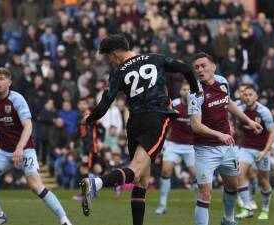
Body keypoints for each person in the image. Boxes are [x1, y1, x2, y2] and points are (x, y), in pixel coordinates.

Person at [79, 34, 201, 225]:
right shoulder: (155, 58)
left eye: (109, 56)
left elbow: (105, 103)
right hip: (156, 117)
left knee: (141, 181)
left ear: (114, 54)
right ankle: (97, 183)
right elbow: (185, 68)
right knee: (135, 171)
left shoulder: (118, 72)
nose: (110, 60)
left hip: (134, 123)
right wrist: (195, 88)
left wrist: (90, 118)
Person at [0, 68, 72, 225]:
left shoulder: (17, 99)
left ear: (9, 83)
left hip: (25, 150)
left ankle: (64, 219)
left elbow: (28, 126)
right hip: (4, 151)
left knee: (35, 186)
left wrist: (19, 148)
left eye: (2, 79)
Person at [188, 52, 263, 225]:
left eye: (203, 65)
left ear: (213, 67)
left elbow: (228, 103)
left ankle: (228, 219)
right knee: (205, 194)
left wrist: (249, 121)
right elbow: (195, 125)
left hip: (227, 148)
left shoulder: (222, 82)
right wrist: (219, 134)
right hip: (205, 150)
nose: (200, 70)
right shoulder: (196, 93)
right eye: (196, 67)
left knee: (232, 186)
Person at [155, 80, 197, 215]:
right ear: (180, 91)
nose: (186, 92)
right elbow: (163, 120)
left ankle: (200, 204)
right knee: (166, 171)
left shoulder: (196, 105)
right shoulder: (174, 104)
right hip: (173, 144)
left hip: (190, 145)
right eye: (184, 89)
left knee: (195, 175)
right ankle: (162, 205)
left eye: (189, 90)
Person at [235, 85, 274, 220]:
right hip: (246, 148)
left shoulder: (264, 112)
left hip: (261, 150)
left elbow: (272, 132)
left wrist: (265, 151)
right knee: (239, 175)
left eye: (250, 94)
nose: (247, 97)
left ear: (256, 96)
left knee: (263, 180)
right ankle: (247, 208)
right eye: (245, 95)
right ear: (242, 97)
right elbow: (239, 128)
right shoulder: (240, 110)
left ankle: (265, 209)